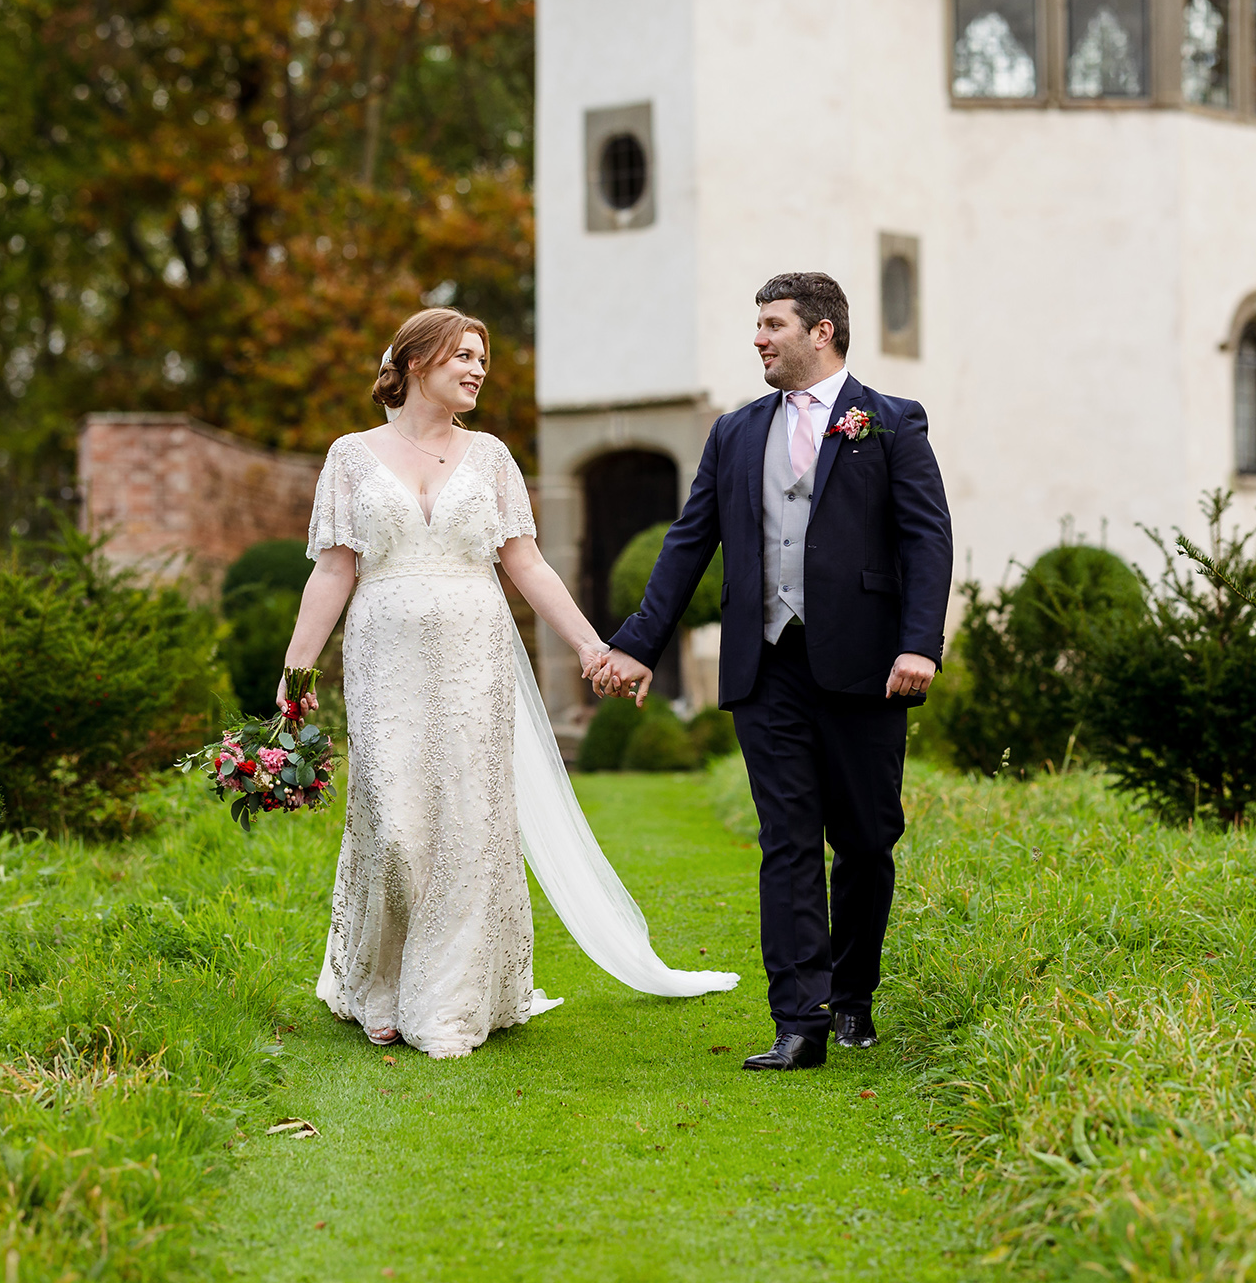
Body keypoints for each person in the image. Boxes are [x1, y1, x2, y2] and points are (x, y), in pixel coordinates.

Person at [277, 307, 735, 1059]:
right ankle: (378, 986)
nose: (477, 369)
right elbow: (334, 569)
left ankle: (448, 1002)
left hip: (472, 656)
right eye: (463, 355)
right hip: (383, 656)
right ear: (417, 361)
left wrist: (594, 646)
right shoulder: (351, 456)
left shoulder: (490, 458)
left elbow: (527, 564)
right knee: (393, 828)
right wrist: (295, 675)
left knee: (465, 827)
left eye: (483, 359)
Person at [595, 273, 954, 1070]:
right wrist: (636, 644)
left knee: (865, 840)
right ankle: (800, 1019)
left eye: (772, 324)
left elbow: (927, 538)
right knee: (787, 839)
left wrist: (919, 642)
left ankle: (854, 993)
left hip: (867, 665)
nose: (758, 338)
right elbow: (690, 543)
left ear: (821, 332)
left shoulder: (890, 423)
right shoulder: (733, 433)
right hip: (767, 665)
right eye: (756, 325)